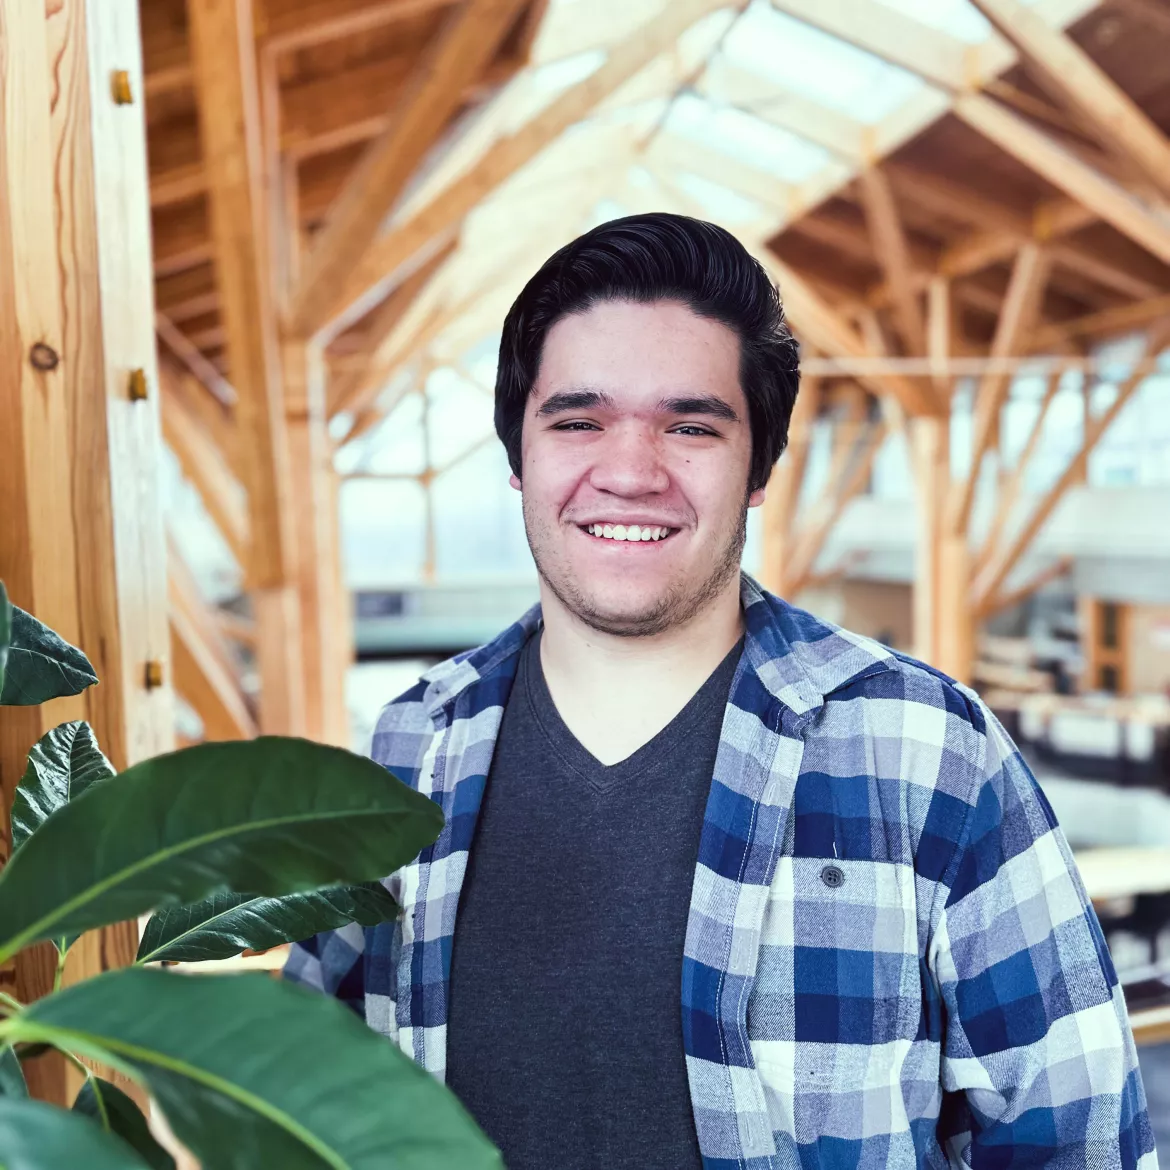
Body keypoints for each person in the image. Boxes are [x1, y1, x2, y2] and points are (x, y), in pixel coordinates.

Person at [284, 213, 1155, 1169]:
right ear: (517, 456)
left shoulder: (923, 752)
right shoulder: (415, 746)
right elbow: (298, 1097)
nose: (628, 471)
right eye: (578, 421)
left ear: (758, 468)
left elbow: (1076, 1140)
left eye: (690, 425)